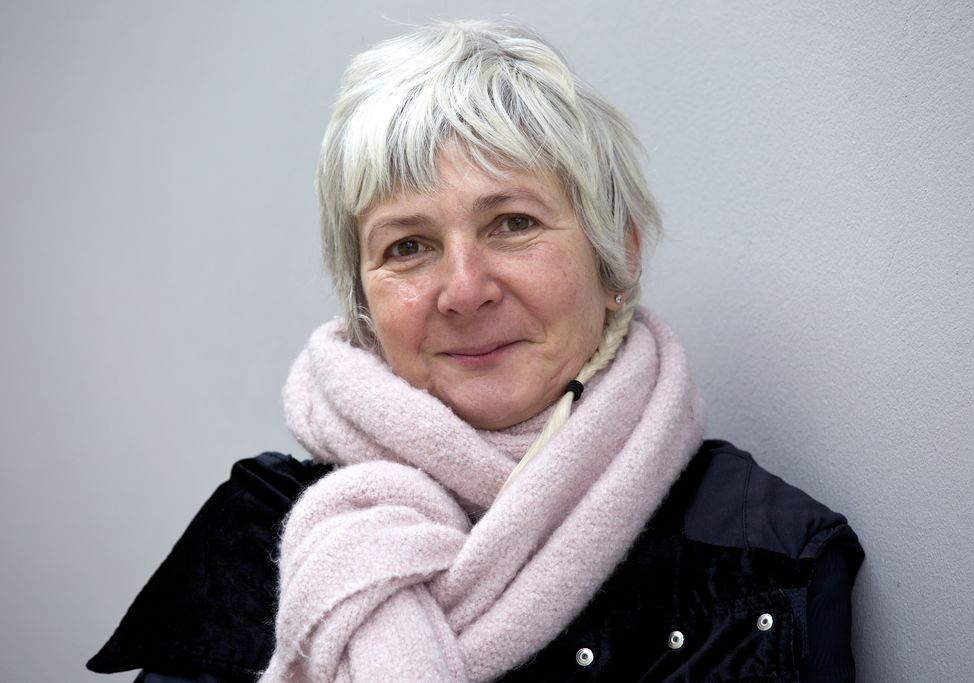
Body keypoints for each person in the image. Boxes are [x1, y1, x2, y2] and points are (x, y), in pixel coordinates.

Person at [88, 20, 863, 683]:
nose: (463, 290)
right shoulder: (258, 530)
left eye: (513, 224)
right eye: (408, 245)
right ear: (362, 304)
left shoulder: (764, 550)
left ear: (616, 259)